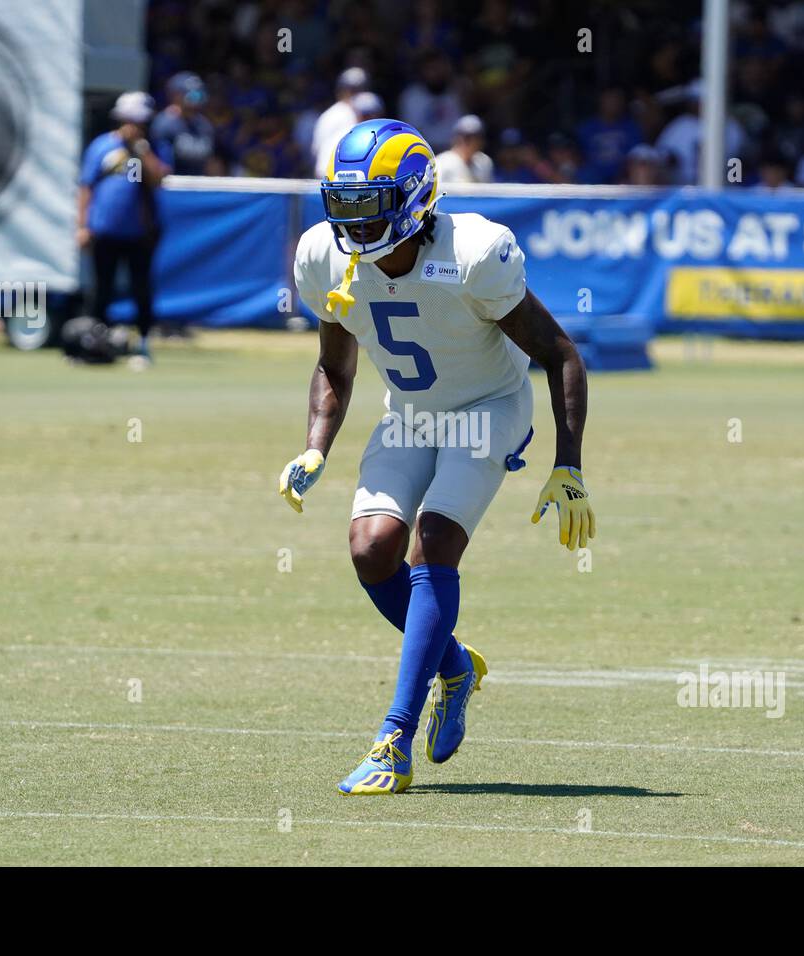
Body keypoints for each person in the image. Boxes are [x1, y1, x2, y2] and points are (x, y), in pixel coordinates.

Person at [282, 119, 595, 795]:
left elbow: (559, 352)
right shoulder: (323, 257)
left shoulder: (474, 252)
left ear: (414, 199)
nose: (355, 225)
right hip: (409, 415)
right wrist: (314, 446)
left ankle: (393, 737)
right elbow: (334, 368)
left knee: (432, 547)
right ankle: (454, 666)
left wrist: (567, 464)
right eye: (344, 206)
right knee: (372, 550)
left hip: (488, 408)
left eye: (370, 206)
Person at [78, 91, 168, 363]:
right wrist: (82, 226)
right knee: (101, 290)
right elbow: (86, 187)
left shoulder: (151, 148)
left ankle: (142, 343)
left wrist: (141, 151)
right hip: (104, 231)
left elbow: (158, 179)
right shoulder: (101, 146)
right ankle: (95, 345)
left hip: (139, 233)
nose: (135, 126)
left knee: (141, 290)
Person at [150, 71, 222, 176]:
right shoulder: (164, 124)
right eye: (192, 95)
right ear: (175, 95)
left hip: (199, 186)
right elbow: (163, 166)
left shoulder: (204, 125)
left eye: (200, 95)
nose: (197, 101)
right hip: (174, 186)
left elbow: (212, 162)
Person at [312, 67, 369, 177]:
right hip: (339, 176)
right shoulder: (354, 114)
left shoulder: (328, 114)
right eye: (353, 90)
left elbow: (315, 151)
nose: (354, 94)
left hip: (326, 174)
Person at [435, 114, 494, 184]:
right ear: (455, 138)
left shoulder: (484, 162)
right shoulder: (441, 162)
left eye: (476, 137)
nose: (469, 142)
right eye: (466, 138)